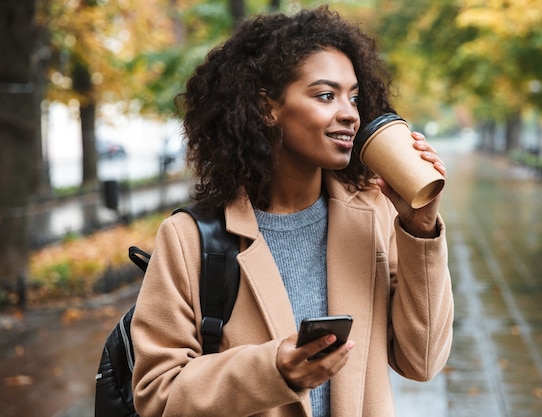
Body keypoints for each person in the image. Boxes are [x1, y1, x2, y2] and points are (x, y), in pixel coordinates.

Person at [131, 5, 454, 417]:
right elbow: (156, 395)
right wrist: (273, 371)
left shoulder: (376, 218)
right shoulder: (190, 238)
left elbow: (422, 361)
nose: (350, 113)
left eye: (353, 97)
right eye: (326, 95)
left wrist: (421, 228)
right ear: (268, 107)